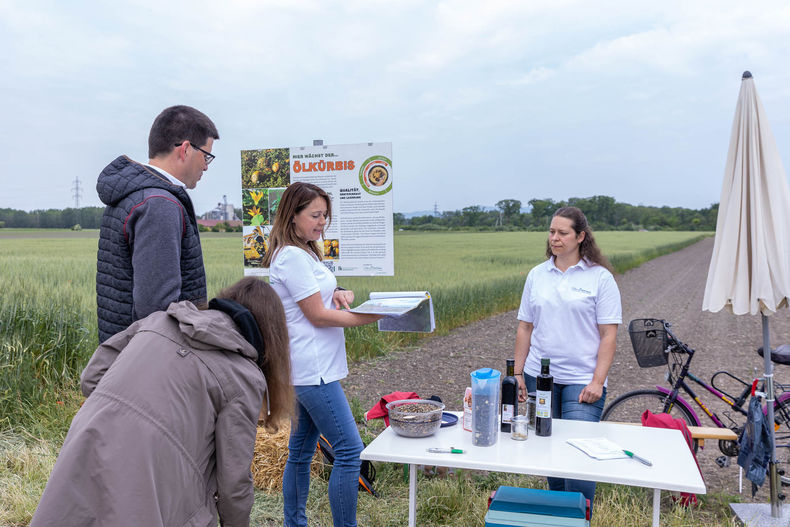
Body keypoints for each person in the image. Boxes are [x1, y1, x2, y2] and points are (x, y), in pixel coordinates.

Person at [31, 277, 293, 527]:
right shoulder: (243, 377)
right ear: (272, 338)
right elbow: (233, 481)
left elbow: (90, 378)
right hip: (151, 471)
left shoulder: (158, 321)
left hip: (89, 438)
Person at [262, 182, 382, 527]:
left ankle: (293, 523)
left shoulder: (304, 253)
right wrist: (372, 315)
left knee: (299, 452)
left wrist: (340, 292)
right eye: (315, 215)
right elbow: (315, 314)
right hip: (313, 373)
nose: (322, 222)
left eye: (325, 215)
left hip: (306, 369)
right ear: (293, 215)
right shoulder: (292, 257)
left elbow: (315, 297)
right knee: (348, 450)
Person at [513, 206, 621, 513]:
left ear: (580, 237)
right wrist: (519, 373)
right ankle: (558, 515)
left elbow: (608, 335)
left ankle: (580, 516)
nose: (555, 238)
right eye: (551, 232)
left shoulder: (600, 278)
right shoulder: (537, 275)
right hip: (539, 376)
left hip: (582, 380)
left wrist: (598, 381)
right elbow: (525, 327)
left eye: (562, 233)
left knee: (580, 452)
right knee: (549, 448)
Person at [96, 105, 219, 342]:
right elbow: (157, 311)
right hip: (150, 363)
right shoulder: (159, 204)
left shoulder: (136, 195)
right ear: (185, 149)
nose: (205, 166)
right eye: (206, 156)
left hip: (126, 355)